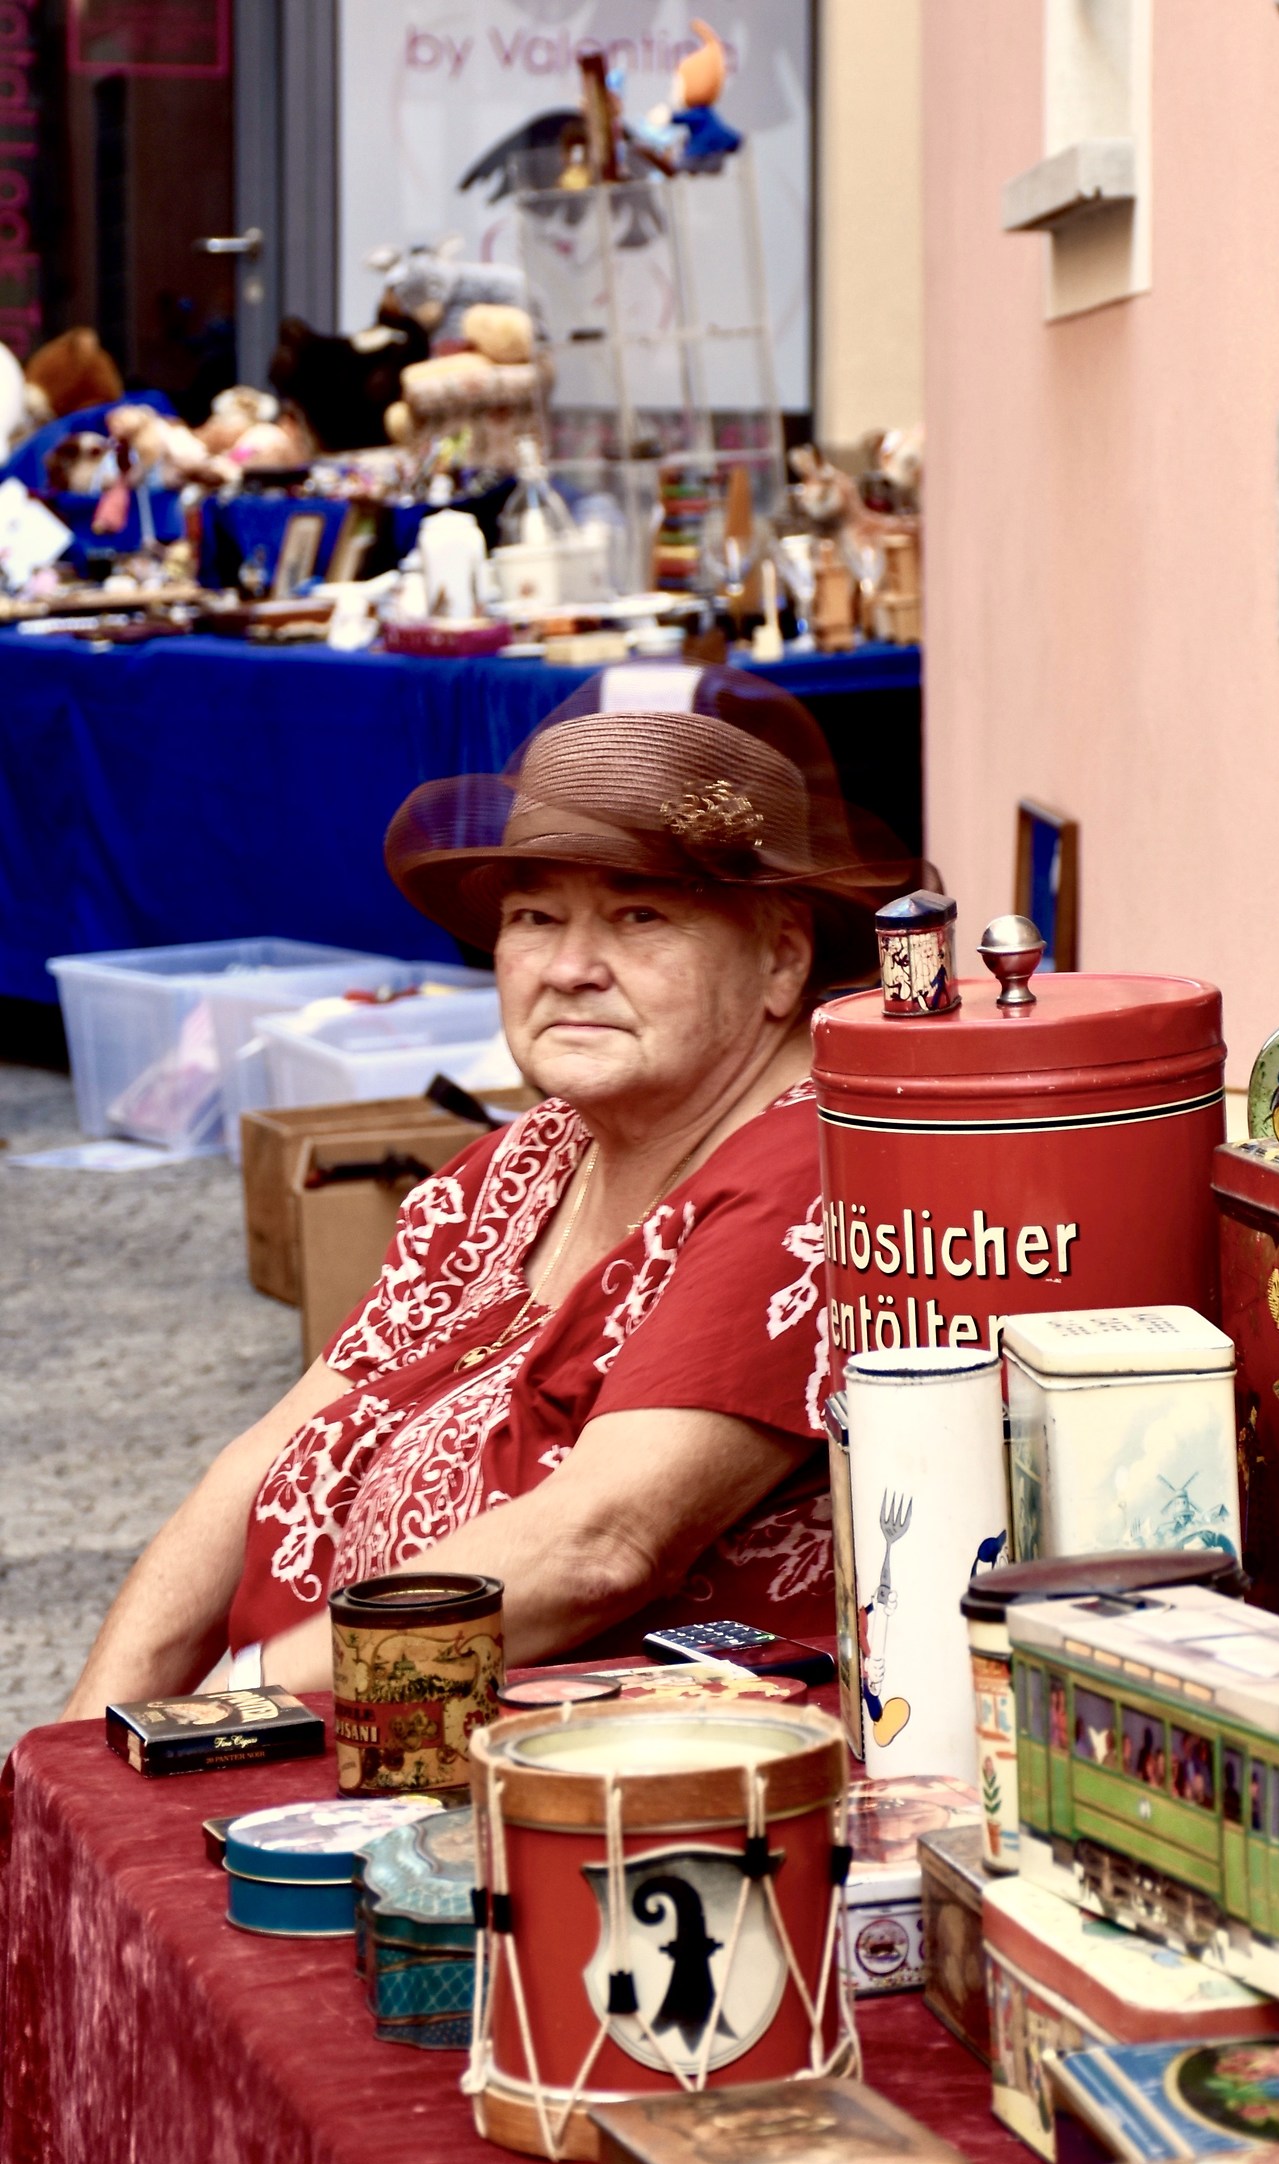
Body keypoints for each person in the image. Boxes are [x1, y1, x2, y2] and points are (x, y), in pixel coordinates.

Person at [64, 665, 923, 1716]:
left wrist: (227, 1710)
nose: (570, 967)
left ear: (782, 957)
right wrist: (74, 1755)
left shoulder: (809, 1176)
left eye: (641, 915)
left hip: (575, 1800)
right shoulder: (523, 1159)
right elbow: (265, 1455)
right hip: (312, 1727)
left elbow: (598, 1544)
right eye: (533, 917)